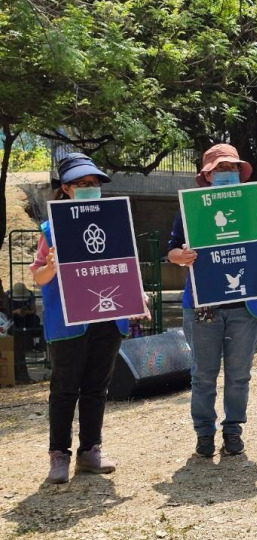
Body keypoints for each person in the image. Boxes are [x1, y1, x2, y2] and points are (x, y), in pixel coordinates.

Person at [32, 153, 127, 484]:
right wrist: (51, 267)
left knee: (97, 387)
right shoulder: (51, 229)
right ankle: (59, 454)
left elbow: (125, 265)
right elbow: (39, 277)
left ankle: (90, 452)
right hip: (68, 321)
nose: (90, 187)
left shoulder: (115, 221)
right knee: (64, 388)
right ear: (66, 189)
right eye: (82, 183)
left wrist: (136, 295)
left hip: (108, 315)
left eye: (94, 183)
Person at [167, 143, 257, 457]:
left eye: (231, 167)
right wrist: (181, 256)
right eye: (219, 168)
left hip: (245, 306)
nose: (226, 173)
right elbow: (171, 250)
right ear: (207, 176)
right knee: (203, 375)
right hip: (203, 305)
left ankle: (233, 430)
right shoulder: (190, 209)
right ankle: (204, 433)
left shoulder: (253, 206)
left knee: (239, 375)